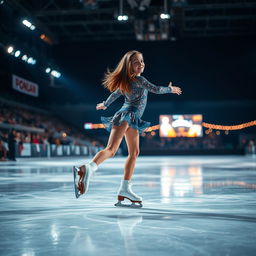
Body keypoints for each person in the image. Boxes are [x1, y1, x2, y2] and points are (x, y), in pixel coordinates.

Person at [73, 50, 182, 207]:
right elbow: (155, 89)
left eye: (142, 61)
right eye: (136, 62)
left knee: (134, 152)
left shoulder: (127, 81)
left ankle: (125, 188)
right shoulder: (139, 80)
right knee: (111, 149)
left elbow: (115, 94)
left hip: (130, 117)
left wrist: (105, 104)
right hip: (127, 115)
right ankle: (88, 168)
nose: (141, 64)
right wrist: (170, 89)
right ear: (129, 65)